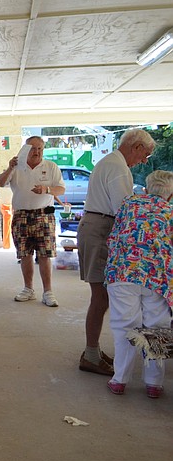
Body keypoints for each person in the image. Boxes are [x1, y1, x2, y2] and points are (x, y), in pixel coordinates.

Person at [76, 128, 155, 376]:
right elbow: (124, 208)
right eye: (146, 155)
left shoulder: (113, 162)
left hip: (99, 226)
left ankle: (93, 352)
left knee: (103, 296)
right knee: (101, 296)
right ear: (137, 146)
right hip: (100, 229)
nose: (144, 160)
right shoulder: (117, 166)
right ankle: (90, 354)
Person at [104, 170, 173, 398]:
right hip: (158, 278)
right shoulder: (170, 211)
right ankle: (154, 383)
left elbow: (115, 234)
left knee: (124, 325)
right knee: (157, 326)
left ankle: (119, 380)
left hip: (123, 272)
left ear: (146, 189)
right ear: (170, 195)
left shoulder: (129, 203)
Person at [0, 136, 65, 306]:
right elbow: (0, 182)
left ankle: (48, 292)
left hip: (44, 215)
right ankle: (28, 289)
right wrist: (10, 168)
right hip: (21, 216)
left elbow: (61, 188)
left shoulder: (50, 166)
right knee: (25, 254)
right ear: (26, 149)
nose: (37, 152)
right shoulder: (16, 167)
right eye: (33, 148)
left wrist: (46, 189)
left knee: (45, 255)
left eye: (40, 148)